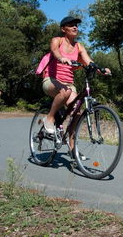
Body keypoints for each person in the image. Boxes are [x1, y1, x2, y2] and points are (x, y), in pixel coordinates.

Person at [41, 16, 110, 155]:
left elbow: (88, 61)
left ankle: (72, 149)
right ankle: (49, 118)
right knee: (64, 92)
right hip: (51, 80)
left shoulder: (79, 46)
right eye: (71, 25)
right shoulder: (57, 40)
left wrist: (100, 69)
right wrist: (62, 58)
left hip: (68, 84)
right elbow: (55, 51)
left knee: (77, 112)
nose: (75, 27)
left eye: (76, 25)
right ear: (63, 29)